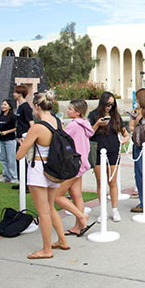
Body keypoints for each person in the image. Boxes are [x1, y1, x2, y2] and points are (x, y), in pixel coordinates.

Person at [16, 91, 69, 259]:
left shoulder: (37, 127)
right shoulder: (58, 122)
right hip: (54, 168)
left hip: (38, 169)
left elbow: (19, 155)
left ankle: (47, 249)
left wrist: (22, 143)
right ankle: (62, 240)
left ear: (36, 107)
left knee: (43, 212)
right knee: (51, 207)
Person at [57, 99, 95, 236]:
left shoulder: (73, 126)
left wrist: (60, 129)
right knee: (76, 195)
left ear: (78, 112)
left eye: (70, 109)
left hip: (73, 164)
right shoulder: (85, 124)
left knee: (57, 195)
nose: (67, 111)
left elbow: (62, 140)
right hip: (81, 163)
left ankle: (81, 216)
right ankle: (78, 226)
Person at [89, 91, 128, 221]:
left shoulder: (115, 116)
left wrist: (125, 139)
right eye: (107, 104)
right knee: (100, 181)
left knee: (112, 181)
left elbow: (125, 133)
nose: (109, 107)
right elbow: (88, 133)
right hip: (98, 150)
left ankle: (114, 209)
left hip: (113, 150)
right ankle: (102, 209)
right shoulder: (93, 115)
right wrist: (97, 124)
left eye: (112, 104)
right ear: (102, 103)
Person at [12, 85, 34, 190]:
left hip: (24, 139)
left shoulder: (26, 107)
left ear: (20, 94)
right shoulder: (20, 107)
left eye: (15, 92)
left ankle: (27, 185)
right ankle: (22, 182)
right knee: (19, 160)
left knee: (25, 161)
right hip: (19, 138)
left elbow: (31, 123)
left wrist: (28, 138)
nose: (13, 94)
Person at [0, 99, 18, 183]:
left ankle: (14, 177)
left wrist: (6, 132)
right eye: (2, 104)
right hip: (1, 140)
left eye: (5, 104)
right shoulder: (0, 116)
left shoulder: (13, 117)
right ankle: (6, 176)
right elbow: (0, 126)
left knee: (11, 159)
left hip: (10, 140)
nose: (3, 106)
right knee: (3, 158)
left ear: (9, 106)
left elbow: (16, 128)